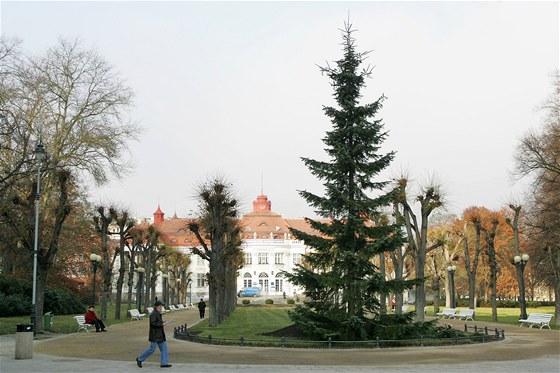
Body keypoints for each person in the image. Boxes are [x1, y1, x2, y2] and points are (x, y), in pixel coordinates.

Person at [136, 301, 172, 368]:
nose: (161, 308)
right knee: (152, 349)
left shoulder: (157, 313)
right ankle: (139, 359)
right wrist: (162, 324)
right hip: (155, 335)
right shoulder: (153, 314)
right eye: (160, 306)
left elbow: (157, 322)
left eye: (161, 306)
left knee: (164, 348)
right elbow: (153, 324)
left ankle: (164, 363)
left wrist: (162, 322)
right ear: (157, 307)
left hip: (160, 335)